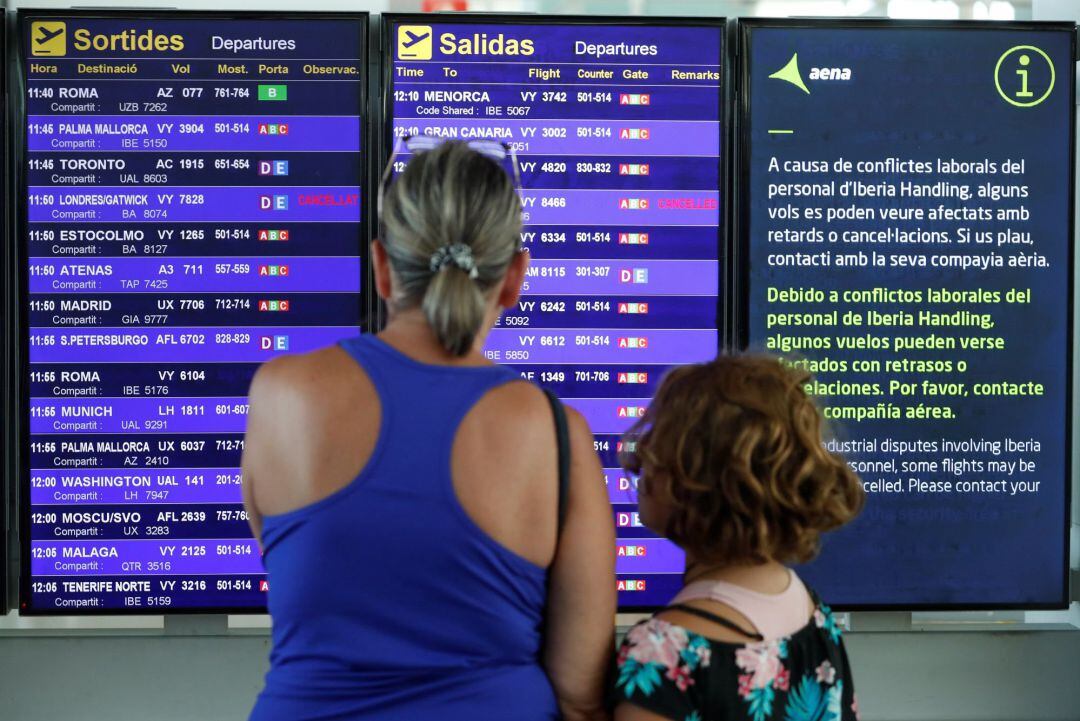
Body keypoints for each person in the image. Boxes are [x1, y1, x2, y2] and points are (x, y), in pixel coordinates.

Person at [243, 140, 616, 721]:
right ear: (515, 277)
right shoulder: (556, 432)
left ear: (382, 268)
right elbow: (580, 694)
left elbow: (301, 575)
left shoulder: (281, 393)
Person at [610, 356, 865, 721]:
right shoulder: (814, 614)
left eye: (657, 444)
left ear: (691, 478)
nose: (639, 461)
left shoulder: (663, 653)